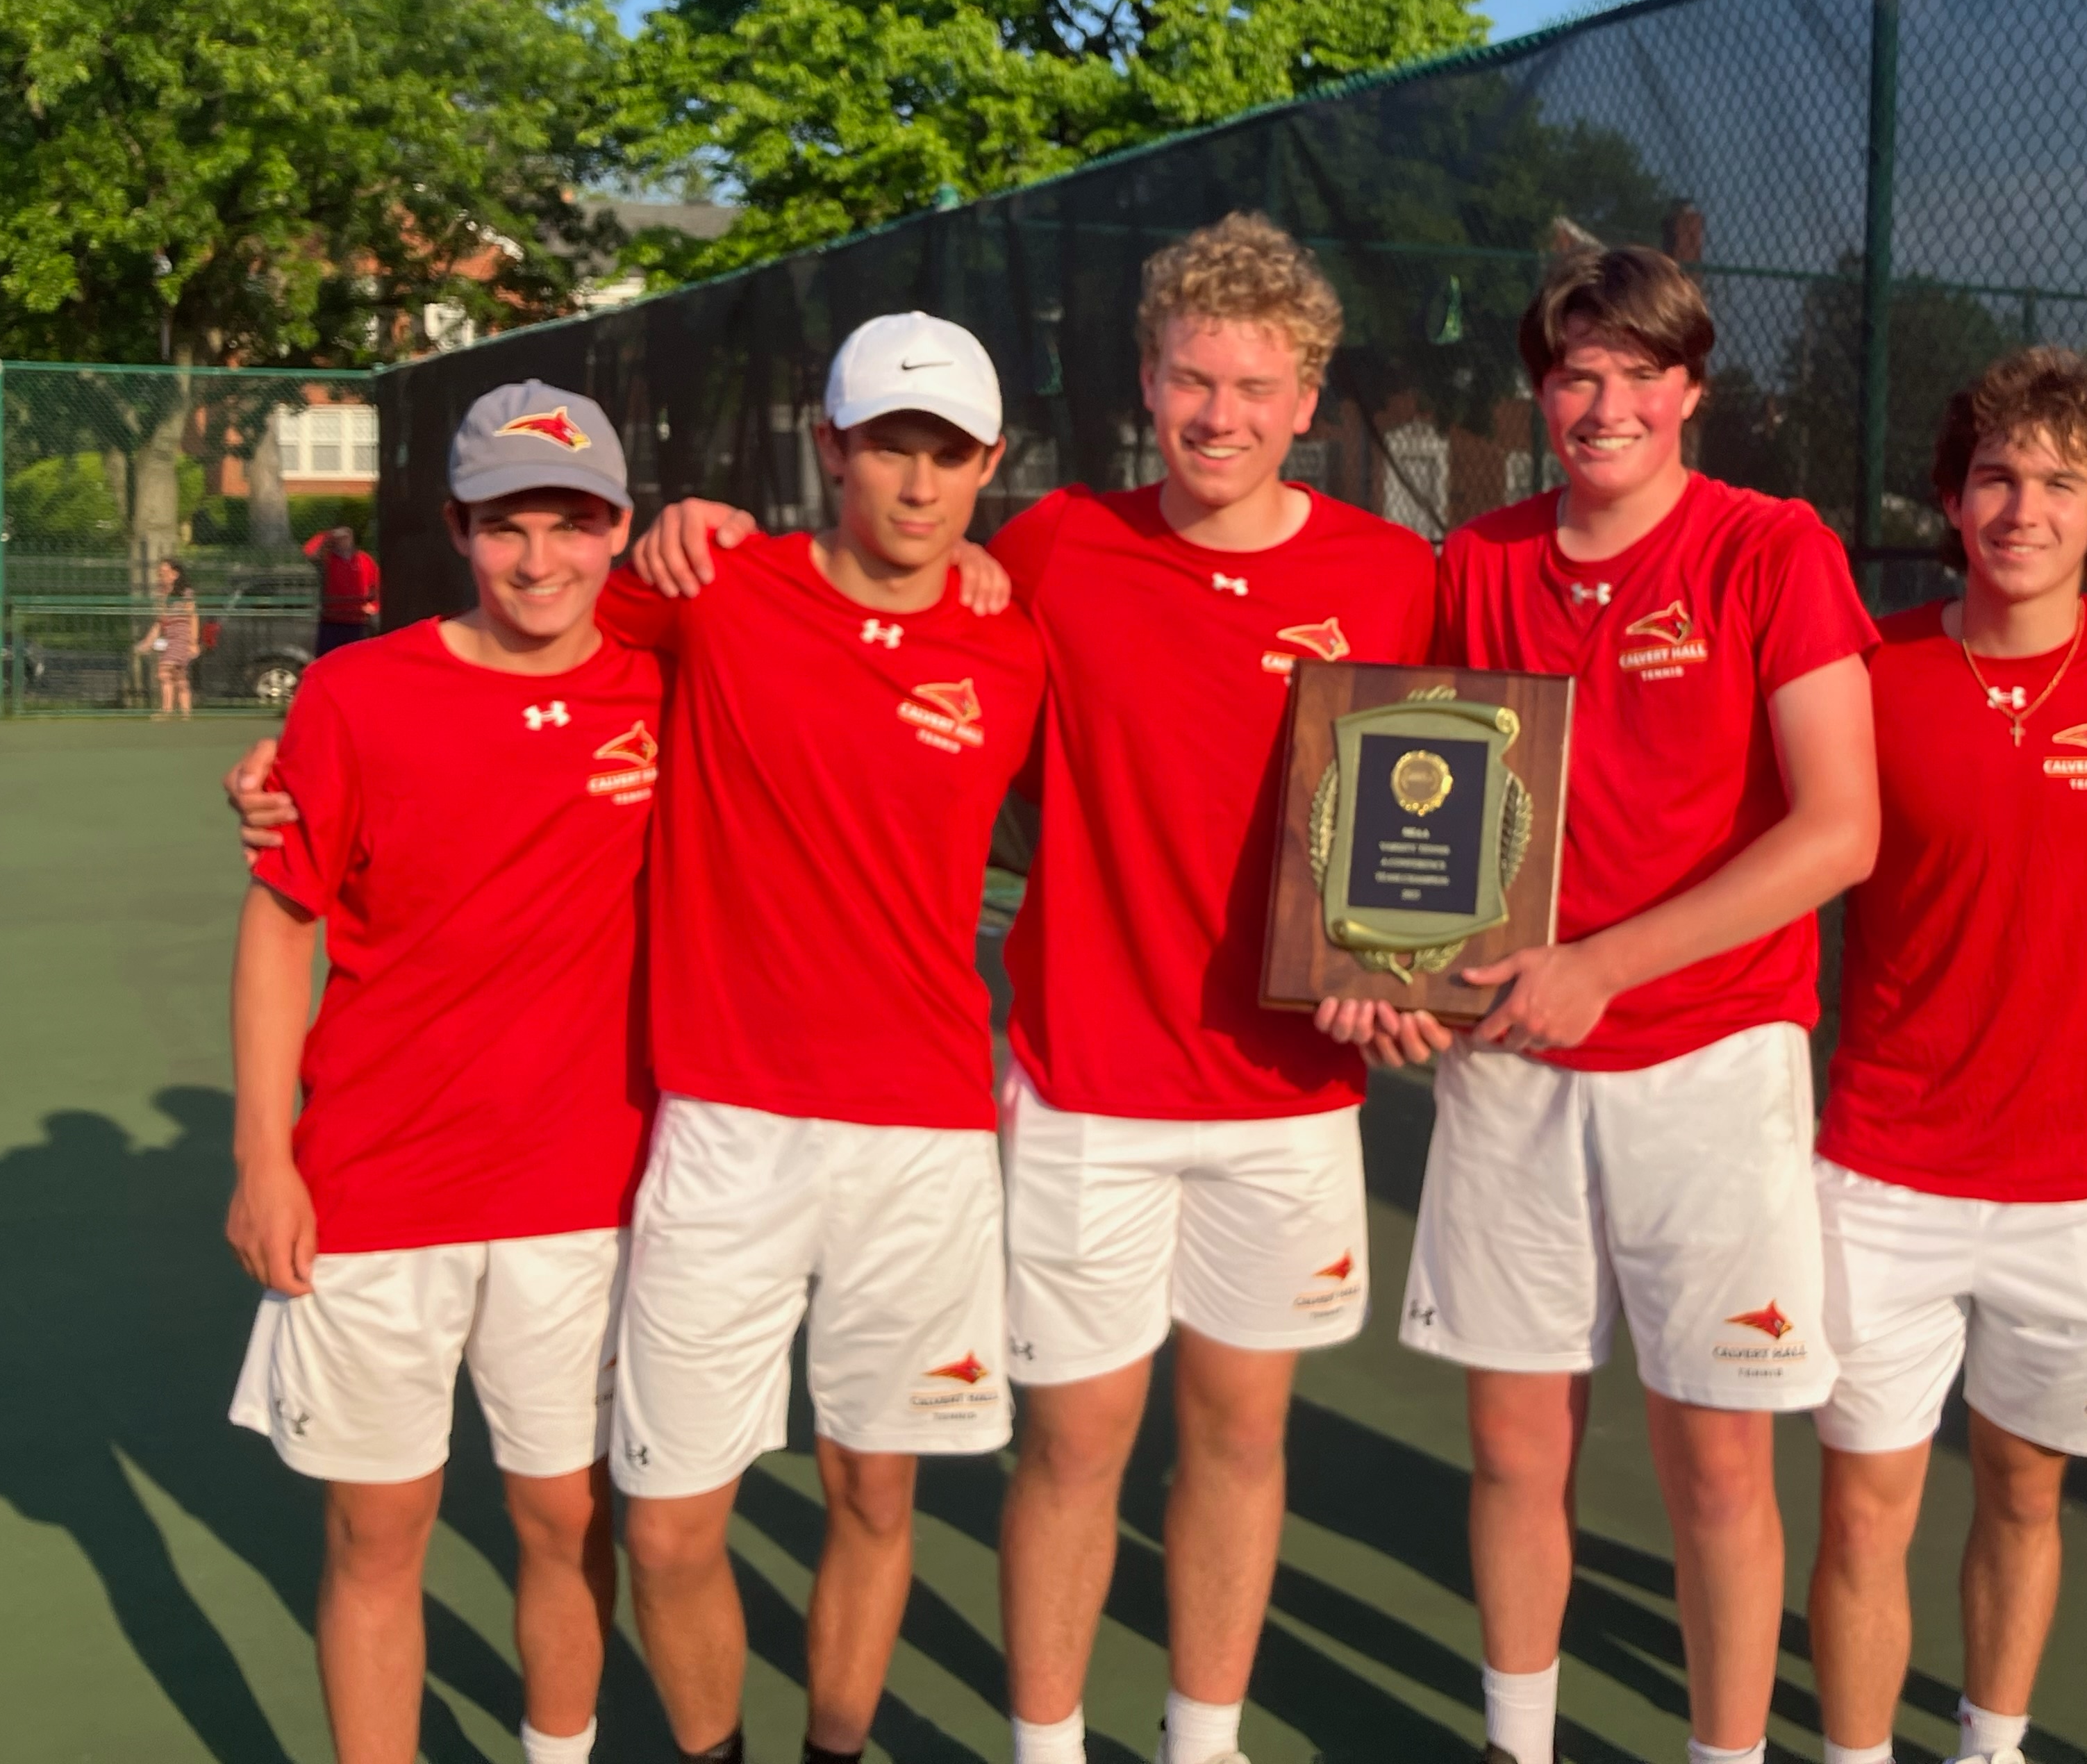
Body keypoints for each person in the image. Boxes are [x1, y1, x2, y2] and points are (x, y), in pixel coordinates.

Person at [635, 214, 1436, 1764]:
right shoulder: (1058, 549)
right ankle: (1049, 1748)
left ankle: (1200, 1746)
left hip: (1288, 1096)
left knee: (1241, 1436)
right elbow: (898, 587)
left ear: (1307, 400)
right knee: (1074, 1444)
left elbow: (1446, 812)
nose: (1220, 416)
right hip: (1084, 1086)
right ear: (1148, 383)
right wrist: (701, 520)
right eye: (1193, 381)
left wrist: (1421, 979)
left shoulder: (1394, 575)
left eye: (1254, 388)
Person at [1323, 242, 1879, 1764]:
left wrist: (1607, 965)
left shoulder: (1771, 549)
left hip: (1712, 1066)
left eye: (1641, 373)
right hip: (1512, 1065)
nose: (1607, 403)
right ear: (1539, 390)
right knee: (1513, 1448)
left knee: (1715, 1467)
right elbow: (1406, 802)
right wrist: (1386, 971)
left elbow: (1842, 827)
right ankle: (1520, 1742)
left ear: (1693, 389)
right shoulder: (1481, 561)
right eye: (1578, 374)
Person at [605, 315, 1042, 1764]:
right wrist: (303, 748)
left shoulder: (1013, 635)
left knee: (876, 1497)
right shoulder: (715, 588)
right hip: (725, 1126)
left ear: (991, 465)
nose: (918, 487)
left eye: (950, 455)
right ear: (829, 448)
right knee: (667, 1527)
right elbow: (508, 638)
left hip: (921, 1138)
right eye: (889, 448)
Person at [224, 381, 657, 1764]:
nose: (542, 562)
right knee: (374, 1531)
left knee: (565, 1521)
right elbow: (282, 925)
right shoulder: (358, 693)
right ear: (458, 529)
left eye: (574, 526)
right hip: (374, 1187)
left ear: (621, 529)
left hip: (586, 1192)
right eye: (508, 527)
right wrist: (262, 1159)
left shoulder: (670, 676)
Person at [1808, 350, 2087, 1764]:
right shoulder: (1870, 669)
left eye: (2060, 481)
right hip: (1881, 1176)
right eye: (1998, 476)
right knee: (1863, 1511)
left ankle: (1989, 1746)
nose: (2024, 507)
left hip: (2082, 1194)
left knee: (2025, 1495)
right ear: (1952, 497)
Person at [308, 522, 381, 656]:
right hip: (332, 622)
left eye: (347, 536)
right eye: (340, 537)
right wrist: (328, 536)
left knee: (357, 660)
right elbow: (311, 552)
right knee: (328, 660)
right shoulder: (327, 559)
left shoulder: (365, 560)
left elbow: (377, 586)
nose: (344, 540)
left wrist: (374, 607)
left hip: (358, 622)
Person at [138, 557, 199, 717]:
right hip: (170, 637)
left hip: (182, 637)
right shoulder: (161, 594)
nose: (162, 576)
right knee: (179, 676)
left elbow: (193, 618)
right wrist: (148, 641)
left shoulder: (186, 593)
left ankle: (168, 710)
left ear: (175, 574)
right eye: (160, 573)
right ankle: (185, 713)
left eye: (165, 572)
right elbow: (160, 621)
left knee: (164, 671)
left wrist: (193, 642)